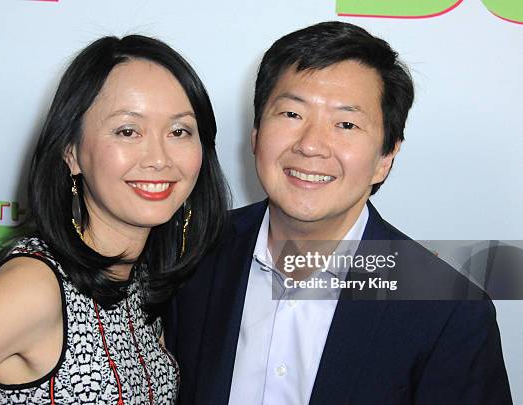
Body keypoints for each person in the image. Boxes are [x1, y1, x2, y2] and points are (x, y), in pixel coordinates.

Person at [164, 21, 512, 404]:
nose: (312, 145)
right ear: (256, 133)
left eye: (346, 124)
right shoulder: (190, 251)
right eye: (292, 115)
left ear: (385, 157)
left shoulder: (450, 311)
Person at [0, 35, 229, 404]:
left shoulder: (139, 280)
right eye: (128, 131)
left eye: (179, 132)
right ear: (71, 153)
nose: (159, 158)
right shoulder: (36, 286)